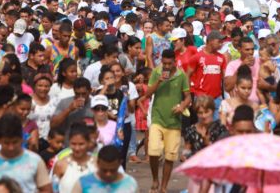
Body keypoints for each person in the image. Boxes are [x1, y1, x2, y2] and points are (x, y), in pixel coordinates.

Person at [142, 49, 191, 193]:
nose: (167, 66)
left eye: (169, 63)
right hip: (157, 118)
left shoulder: (181, 75)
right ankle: (155, 180)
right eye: (164, 63)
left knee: (170, 156)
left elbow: (188, 97)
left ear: (174, 62)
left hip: (174, 122)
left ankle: (163, 186)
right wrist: (158, 81)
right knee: (153, 152)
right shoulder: (157, 72)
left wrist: (182, 106)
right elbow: (147, 93)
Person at [0, 113, 52, 193]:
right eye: (6, 143)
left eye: (15, 142)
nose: (11, 147)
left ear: (21, 138)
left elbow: (46, 190)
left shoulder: (35, 161)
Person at [73, 145, 137, 193]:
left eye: (112, 170)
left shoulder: (131, 184)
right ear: (97, 163)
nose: (108, 174)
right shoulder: (83, 183)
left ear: (120, 163)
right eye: (104, 170)